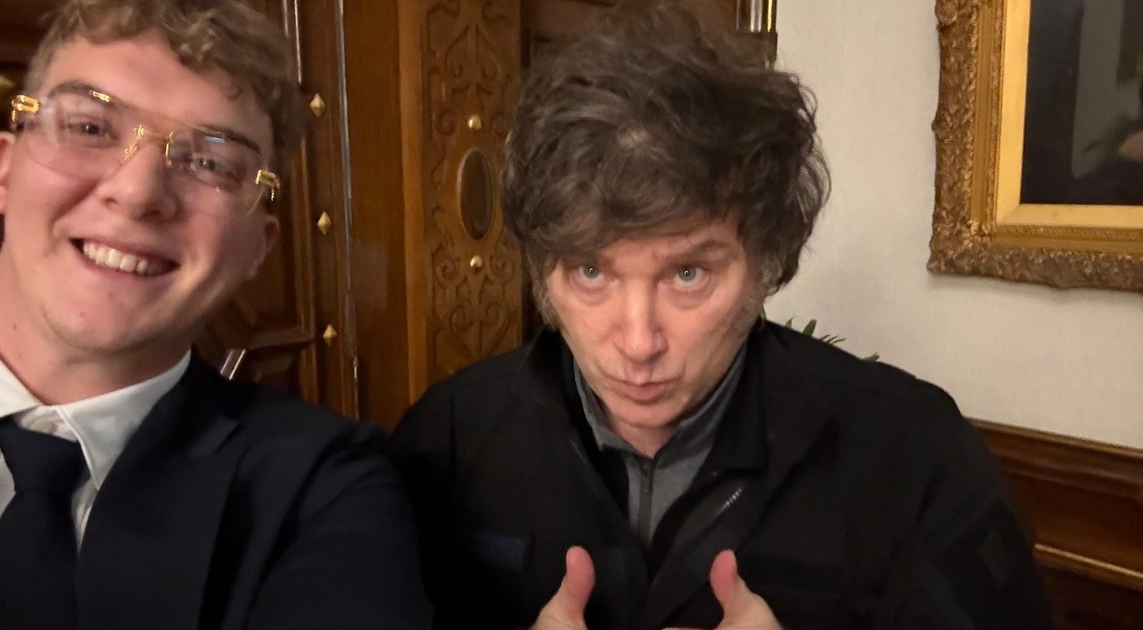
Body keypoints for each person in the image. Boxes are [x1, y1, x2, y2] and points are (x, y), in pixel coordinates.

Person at [390, 1, 1053, 628]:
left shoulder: (916, 461)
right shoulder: (446, 440)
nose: (638, 342)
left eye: (688, 274)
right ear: (543, 271)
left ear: (765, 261)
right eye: (592, 272)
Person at [0, 1, 429, 628]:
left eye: (211, 164)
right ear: (4, 170)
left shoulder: (321, 493)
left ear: (258, 249)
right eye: (91, 127)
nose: (138, 192)